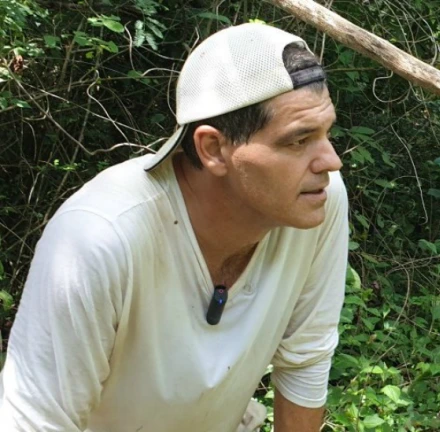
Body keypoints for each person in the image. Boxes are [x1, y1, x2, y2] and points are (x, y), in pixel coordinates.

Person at [0, 22, 348, 432]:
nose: (331, 161)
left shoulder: (317, 200)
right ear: (213, 148)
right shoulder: (101, 236)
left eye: (326, 133)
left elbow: (306, 359)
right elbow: (36, 421)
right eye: (298, 140)